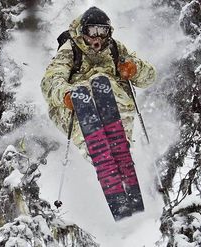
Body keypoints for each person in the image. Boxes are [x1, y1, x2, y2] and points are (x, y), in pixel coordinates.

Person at [41, 6, 156, 220]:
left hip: (115, 102)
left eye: (102, 32)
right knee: (90, 89)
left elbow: (150, 77)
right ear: (82, 31)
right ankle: (98, 150)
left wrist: (135, 68)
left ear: (109, 32)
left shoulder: (114, 48)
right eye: (92, 31)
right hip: (76, 107)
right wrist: (66, 94)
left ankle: (118, 148)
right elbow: (50, 80)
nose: (97, 38)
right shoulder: (70, 49)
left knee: (107, 85)